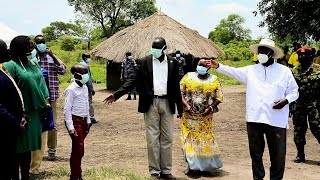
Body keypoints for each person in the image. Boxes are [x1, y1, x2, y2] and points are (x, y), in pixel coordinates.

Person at [207, 38, 299, 180]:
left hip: (276, 119)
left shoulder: (284, 71)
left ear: (271, 53)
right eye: (259, 51)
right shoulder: (251, 70)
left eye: (263, 51)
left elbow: (294, 91)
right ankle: (258, 177)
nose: (260, 53)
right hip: (254, 118)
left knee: (278, 155)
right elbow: (233, 71)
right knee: (256, 154)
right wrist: (218, 66)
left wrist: (286, 101)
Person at [104, 37, 183, 180]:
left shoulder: (173, 62)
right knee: (152, 139)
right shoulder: (143, 62)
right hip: (150, 103)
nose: (154, 50)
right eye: (153, 47)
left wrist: (180, 108)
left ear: (164, 48)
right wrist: (117, 95)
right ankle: (154, 171)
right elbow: (132, 80)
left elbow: (175, 86)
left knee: (167, 138)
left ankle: (166, 170)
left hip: (167, 103)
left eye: (157, 48)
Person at [4, 35, 49, 180]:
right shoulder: (11, 65)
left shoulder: (33, 64)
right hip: (21, 114)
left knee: (28, 150)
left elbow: (41, 84)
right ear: (20, 47)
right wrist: (18, 114)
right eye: (29, 45)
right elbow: (9, 91)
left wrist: (45, 103)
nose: (32, 47)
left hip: (36, 113)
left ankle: (26, 176)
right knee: (18, 150)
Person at [180, 59, 223, 175]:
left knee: (205, 141)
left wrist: (210, 108)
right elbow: (180, 93)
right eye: (200, 65)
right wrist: (186, 105)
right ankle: (191, 166)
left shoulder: (214, 80)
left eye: (204, 66)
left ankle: (206, 167)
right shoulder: (188, 77)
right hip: (189, 117)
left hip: (205, 118)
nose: (201, 67)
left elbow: (219, 97)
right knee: (190, 141)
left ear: (208, 68)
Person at [35, 34, 66, 161]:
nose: (41, 44)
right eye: (38, 42)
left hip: (51, 96)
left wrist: (53, 56)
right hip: (37, 97)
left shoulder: (52, 57)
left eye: (43, 42)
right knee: (36, 124)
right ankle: (36, 151)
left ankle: (52, 150)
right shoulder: (33, 58)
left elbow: (63, 70)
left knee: (52, 124)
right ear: (35, 44)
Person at [0, 39, 26, 180]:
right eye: (4, 49)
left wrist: (21, 115)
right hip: (5, 129)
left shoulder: (2, 69)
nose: (7, 51)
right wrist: (16, 124)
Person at [290, 48, 320, 164]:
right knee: (298, 129)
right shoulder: (293, 71)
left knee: (317, 128)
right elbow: (289, 89)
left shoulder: (318, 69)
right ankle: (300, 155)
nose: (302, 57)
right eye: (300, 55)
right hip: (298, 105)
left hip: (315, 104)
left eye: (305, 55)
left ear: (311, 56)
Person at [64, 64, 92, 180]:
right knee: (79, 149)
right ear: (77, 76)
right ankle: (75, 175)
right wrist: (71, 128)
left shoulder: (84, 87)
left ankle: (76, 174)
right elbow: (66, 110)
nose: (87, 76)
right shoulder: (71, 90)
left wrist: (89, 120)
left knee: (77, 149)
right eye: (84, 74)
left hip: (85, 121)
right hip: (76, 121)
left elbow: (87, 105)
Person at [80, 53, 97, 124]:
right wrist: (92, 89)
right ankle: (91, 117)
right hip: (86, 87)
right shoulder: (86, 66)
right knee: (89, 102)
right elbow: (88, 79)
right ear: (84, 57)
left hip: (80, 86)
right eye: (88, 57)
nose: (89, 59)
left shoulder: (79, 64)